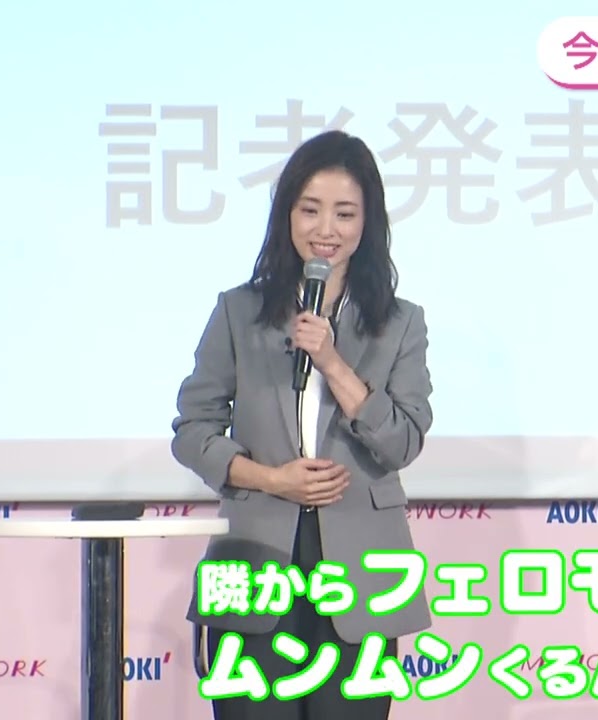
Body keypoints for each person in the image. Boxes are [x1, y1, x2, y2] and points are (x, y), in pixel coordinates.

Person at [171, 130, 433, 720]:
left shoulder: (401, 323)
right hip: (255, 552)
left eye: (345, 213)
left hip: (362, 565)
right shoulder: (239, 311)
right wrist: (271, 479)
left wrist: (333, 361)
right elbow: (192, 430)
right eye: (310, 209)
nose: (326, 229)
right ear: (287, 214)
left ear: (368, 223)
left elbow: (402, 441)